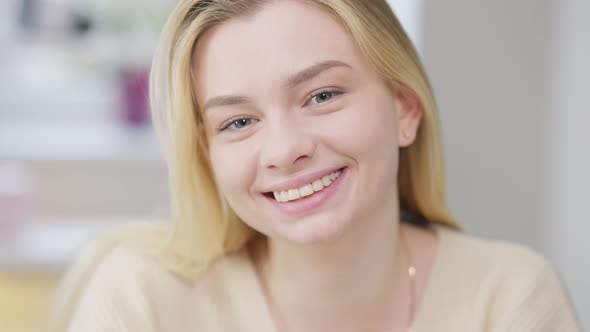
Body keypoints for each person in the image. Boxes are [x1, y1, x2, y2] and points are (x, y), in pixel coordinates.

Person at [50, 1, 581, 331]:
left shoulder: (510, 298)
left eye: (322, 94)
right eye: (238, 122)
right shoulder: (143, 297)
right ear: (206, 157)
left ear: (404, 107)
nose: (284, 150)